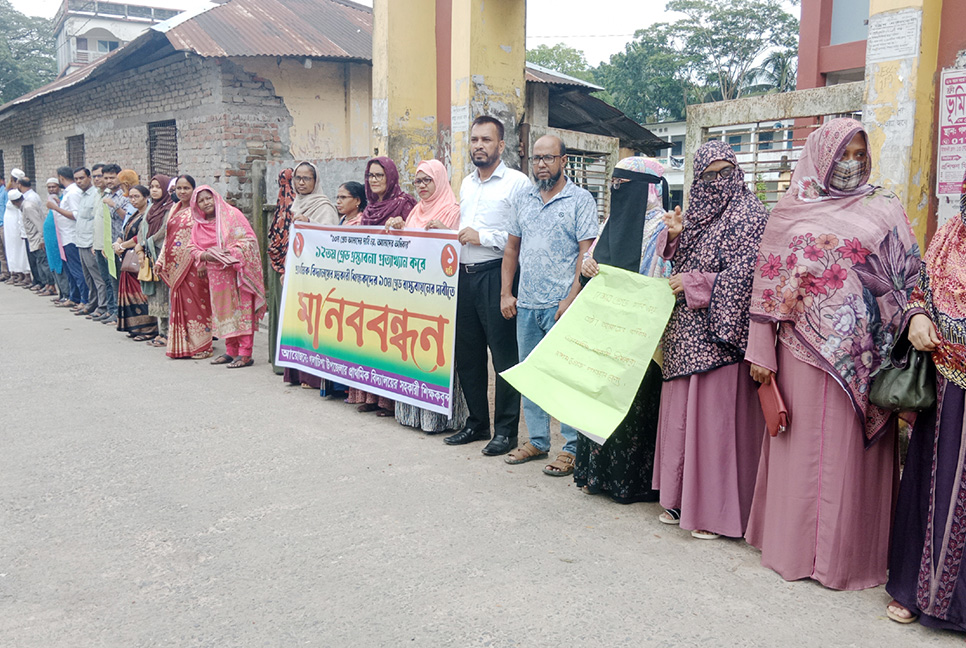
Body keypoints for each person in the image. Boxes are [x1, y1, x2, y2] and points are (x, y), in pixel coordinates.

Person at [745, 117, 920, 590]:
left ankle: (848, 560)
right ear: (822, 155)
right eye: (843, 154)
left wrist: (902, 333)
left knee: (849, 462)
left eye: (859, 154)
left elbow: (907, 276)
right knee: (799, 453)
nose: (851, 163)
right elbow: (767, 286)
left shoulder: (884, 207)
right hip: (798, 353)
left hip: (864, 362)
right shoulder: (790, 210)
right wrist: (761, 353)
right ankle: (794, 552)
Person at [653, 139, 769, 540]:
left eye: (726, 172)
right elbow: (680, 259)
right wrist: (676, 237)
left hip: (720, 337)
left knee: (713, 427)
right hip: (685, 333)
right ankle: (680, 499)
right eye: (709, 175)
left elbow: (750, 275)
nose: (718, 181)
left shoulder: (750, 213)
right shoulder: (700, 211)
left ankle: (715, 513)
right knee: (683, 420)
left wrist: (693, 282)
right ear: (697, 178)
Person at [886, 170, 966, 629]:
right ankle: (918, 591)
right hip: (949, 381)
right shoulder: (951, 235)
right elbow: (921, 292)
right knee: (934, 487)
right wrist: (917, 317)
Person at [499, 135, 598, 475]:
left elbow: (587, 254)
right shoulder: (523, 198)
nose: (541, 164)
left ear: (563, 161)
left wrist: (571, 299)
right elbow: (511, 249)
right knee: (532, 376)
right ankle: (538, 441)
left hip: (561, 306)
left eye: (548, 158)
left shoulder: (579, 200)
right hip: (526, 303)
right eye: (536, 158)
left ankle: (571, 448)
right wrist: (505, 293)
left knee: (566, 378)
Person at [575, 156, 671, 502]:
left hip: (640, 338)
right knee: (599, 401)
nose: (617, 191)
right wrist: (588, 269)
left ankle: (630, 484)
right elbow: (593, 265)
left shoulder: (662, 228)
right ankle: (596, 476)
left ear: (646, 189)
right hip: (604, 334)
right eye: (613, 185)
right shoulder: (611, 222)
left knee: (633, 408)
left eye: (624, 185)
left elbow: (659, 279)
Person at [445, 115, 531, 455]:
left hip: (499, 274)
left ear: (501, 145)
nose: (479, 145)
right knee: (468, 355)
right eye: (475, 140)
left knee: (504, 356)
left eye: (486, 140)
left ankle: (506, 430)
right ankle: (477, 423)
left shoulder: (517, 183)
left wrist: (485, 237)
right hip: (464, 275)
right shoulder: (466, 184)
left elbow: (523, 233)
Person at [387, 159, 469, 433]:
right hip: (413, 294)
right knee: (411, 349)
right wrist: (399, 229)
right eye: (417, 181)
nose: (421, 187)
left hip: (439, 296)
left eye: (427, 180)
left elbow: (455, 249)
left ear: (440, 181)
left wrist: (446, 233)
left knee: (437, 354)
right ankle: (412, 414)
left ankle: (442, 419)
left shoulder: (452, 211)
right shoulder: (414, 213)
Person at [346, 157, 417, 415]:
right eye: (370, 176)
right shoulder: (368, 209)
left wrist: (402, 226)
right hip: (369, 282)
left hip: (395, 283)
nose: (374, 180)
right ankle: (370, 396)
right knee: (370, 338)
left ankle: (391, 401)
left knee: (391, 340)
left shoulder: (404, 203)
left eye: (379, 175)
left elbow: (416, 239)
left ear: (391, 177)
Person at [189, 186, 266, 369]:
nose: (206, 203)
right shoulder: (198, 225)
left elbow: (249, 241)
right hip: (216, 275)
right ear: (196, 205)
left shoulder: (233, 216)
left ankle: (245, 354)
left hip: (238, 273)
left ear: (215, 197)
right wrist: (205, 257)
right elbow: (192, 248)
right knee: (224, 313)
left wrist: (230, 252)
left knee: (242, 311)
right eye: (201, 200)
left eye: (208, 198)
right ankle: (231, 351)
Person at [283, 161, 339, 389]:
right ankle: (298, 373)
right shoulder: (296, 204)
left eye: (307, 178)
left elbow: (331, 239)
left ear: (316, 182)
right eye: (298, 178)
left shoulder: (324, 206)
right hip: (299, 273)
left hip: (318, 275)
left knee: (315, 322)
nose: (302, 183)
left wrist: (311, 223)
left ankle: (314, 377)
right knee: (299, 321)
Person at [156, 175, 213, 360]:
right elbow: (167, 237)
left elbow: (206, 237)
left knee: (198, 304)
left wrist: (202, 262)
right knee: (180, 305)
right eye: (178, 189)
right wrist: (160, 260)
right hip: (175, 266)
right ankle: (183, 345)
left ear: (193, 189)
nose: (182, 192)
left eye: (186, 188)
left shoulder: (199, 210)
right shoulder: (174, 208)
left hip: (194, 265)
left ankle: (202, 346)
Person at [112, 184, 158, 340]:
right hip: (127, 258)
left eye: (136, 196)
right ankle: (135, 327)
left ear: (146, 198)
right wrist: (117, 243)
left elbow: (141, 236)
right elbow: (124, 232)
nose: (133, 200)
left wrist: (123, 245)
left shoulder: (149, 215)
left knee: (142, 294)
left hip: (141, 258)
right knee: (130, 295)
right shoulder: (134, 214)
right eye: (130, 197)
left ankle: (148, 329)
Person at [137, 174, 174, 347]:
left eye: (158, 187)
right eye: (152, 187)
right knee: (156, 294)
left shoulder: (169, 208)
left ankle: (168, 333)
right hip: (151, 255)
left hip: (163, 255)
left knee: (166, 294)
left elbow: (164, 231)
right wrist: (141, 245)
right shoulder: (151, 208)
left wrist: (148, 242)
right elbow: (142, 229)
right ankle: (161, 331)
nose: (154, 190)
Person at [267, 168, 297, 375]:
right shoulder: (284, 206)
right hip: (286, 266)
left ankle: (281, 360)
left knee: (283, 310)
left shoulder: (292, 206)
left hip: (288, 267)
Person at [47, 166, 88, 308]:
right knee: (70, 270)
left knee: (77, 270)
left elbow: (76, 215)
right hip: (64, 237)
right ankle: (74, 296)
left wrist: (56, 208)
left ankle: (84, 299)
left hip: (72, 237)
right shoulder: (68, 192)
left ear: (61, 178)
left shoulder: (73, 193)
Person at [72, 168, 108, 317]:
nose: (79, 181)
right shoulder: (83, 195)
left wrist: (95, 242)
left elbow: (97, 221)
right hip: (81, 241)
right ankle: (92, 303)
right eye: (76, 179)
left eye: (82, 178)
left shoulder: (96, 194)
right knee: (88, 277)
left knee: (98, 277)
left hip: (90, 242)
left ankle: (103, 306)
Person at [99, 164, 127, 325]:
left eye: (112, 177)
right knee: (113, 279)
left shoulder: (125, 196)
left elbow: (128, 219)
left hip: (123, 245)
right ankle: (115, 312)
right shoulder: (107, 194)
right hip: (111, 244)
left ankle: (121, 315)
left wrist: (113, 205)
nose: (109, 181)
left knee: (122, 281)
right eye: (106, 178)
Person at [15, 180, 52, 295]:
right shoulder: (25, 205)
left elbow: (39, 223)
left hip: (37, 238)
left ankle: (50, 285)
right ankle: (45, 284)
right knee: (39, 263)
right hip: (32, 238)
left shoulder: (28, 206)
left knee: (43, 262)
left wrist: (42, 239)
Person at [89, 164, 116, 321]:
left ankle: (114, 311)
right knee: (106, 279)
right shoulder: (97, 195)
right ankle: (109, 309)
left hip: (109, 245)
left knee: (113, 280)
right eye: (97, 176)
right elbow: (96, 222)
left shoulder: (112, 196)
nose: (99, 179)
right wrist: (95, 244)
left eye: (103, 176)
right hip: (98, 244)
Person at [42, 179, 69, 300]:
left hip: (60, 238)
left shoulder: (63, 199)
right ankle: (61, 293)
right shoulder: (50, 201)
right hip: (50, 240)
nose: (52, 189)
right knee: (52, 264)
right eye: (49, 187)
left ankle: (67, 294)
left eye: (54, 186)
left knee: (61, 265)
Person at [4, 173, 30, 287]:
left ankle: (24, 273)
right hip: (9, 227)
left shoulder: (19, 195)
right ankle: (15, 272)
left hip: (16, 226)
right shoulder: (10, 191)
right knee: (11, 250)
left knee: (20, 250)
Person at [0, 176, 8, 282]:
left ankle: (13, 272)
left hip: (4, 225)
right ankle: (4, 272)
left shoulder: (5, 192)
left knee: (7, 249)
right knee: (1, 252)